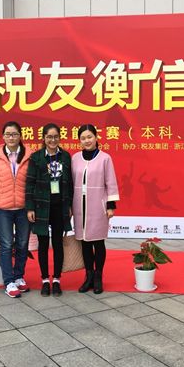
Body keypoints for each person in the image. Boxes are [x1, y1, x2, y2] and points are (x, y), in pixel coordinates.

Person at [26, 123, 73, 297]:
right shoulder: (36, 157)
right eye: (49, 137)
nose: (52, 140)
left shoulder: (65, 156)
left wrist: (69, 205)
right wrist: (30, 207)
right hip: (41, 206)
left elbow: (70, 183)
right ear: (44, 138)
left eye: (55, 137)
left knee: (58, 244)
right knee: (43, 244)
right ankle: (45, 280)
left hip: (60, 206)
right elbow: (29, 183)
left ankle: (57, 280)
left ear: (59, 137)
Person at [71, 124, 119, 294]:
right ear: (79, 140)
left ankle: (98, 276)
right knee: (84, 242)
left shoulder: (105, 158)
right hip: (79, 206)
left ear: (96, 137)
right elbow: (70, 183)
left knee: (98, 242)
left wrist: (110, 205)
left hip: (97, 206)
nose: (87, 141)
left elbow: (111, 182)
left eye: (89, 137)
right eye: (83, 138)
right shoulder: (75, 158)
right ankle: (88, 276)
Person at [0, 121, 32, 298]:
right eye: (7, 134)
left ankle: (19, 276)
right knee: (6, 245)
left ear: (20, 136)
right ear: (3, 136)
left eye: (14, 134)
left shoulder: (29, 155)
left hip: (23, 207)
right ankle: (8, 282)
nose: (11, 137)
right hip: (3, 209)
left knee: (22, 244)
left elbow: (31, 181)